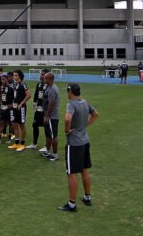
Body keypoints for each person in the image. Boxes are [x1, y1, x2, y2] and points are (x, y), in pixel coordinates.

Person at [58, 83, 99, 212]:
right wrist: (85, 126)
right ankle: (87, 197)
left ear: (70, 92)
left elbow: (67, 119)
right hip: (85, 141)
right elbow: (96, 114)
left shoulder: (71, 104)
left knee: (72, 173)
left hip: (74, 143)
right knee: (84, 170)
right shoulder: (85, 102)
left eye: (67, 91)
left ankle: (71, 204)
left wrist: (67, 130)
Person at [9, 69, 31, 151]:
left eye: (16, 75)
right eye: (14, 75)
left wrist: (21, 103)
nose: (14, 77)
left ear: (20, 76)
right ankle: (16, 143)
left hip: (20, 108)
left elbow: (29, 94)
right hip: (14, 107)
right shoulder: (14, 84)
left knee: (21, 125)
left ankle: (22, 144)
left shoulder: (23, 84)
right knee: (14, 124)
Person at [40, 72, 60, 161]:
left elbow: (51, 104)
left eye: (45, 78)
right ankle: (47, 151)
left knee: (53, 136)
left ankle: (55, 155)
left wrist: (47, 116)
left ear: (50, 79)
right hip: (48, 115)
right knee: (48, 134)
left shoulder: (52, 89)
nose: (44, 79)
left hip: (52, 116)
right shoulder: (49, 87)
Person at [28, 69, 49, 150]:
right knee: (35, 125)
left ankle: (47, 146)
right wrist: (34, 104)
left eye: (43, 74)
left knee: (46, 127)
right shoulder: (39, 84)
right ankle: (34, 143)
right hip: (38, 109)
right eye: (41, 74)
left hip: (45, 110)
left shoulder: (49, 86)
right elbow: (36, 95)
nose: (41, 76)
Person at [0, 74, 13, 143]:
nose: (2, 81)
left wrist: (9, 106)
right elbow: (0, 96)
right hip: (2, 109)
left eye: (4, 79)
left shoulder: (11, 88)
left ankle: (9, 138)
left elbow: (14, 99)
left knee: (10, 123)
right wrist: (1, 103)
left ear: (7, 79)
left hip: (9, 108)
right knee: (1, 123)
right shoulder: (0, 88)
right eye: (1, 79)